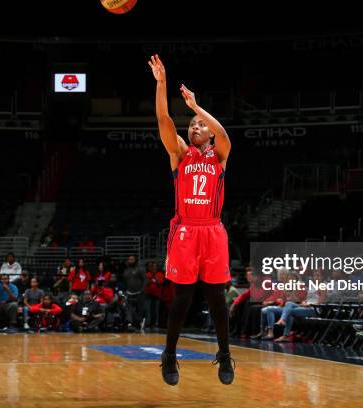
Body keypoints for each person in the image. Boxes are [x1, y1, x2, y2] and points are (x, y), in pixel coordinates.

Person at [149, 55, 234, 385]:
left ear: (208, 134)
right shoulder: (180, 154)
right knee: (182, 297)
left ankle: (225, 355)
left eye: (199, 126)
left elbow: (223, 132)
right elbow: (163, 119)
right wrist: (161, 83)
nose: (194, 127)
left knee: (216, 298)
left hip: (212, 229)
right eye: (192, 126)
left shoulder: (220, 154)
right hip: (185, 230)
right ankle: (169, 355)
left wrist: (197, 108)